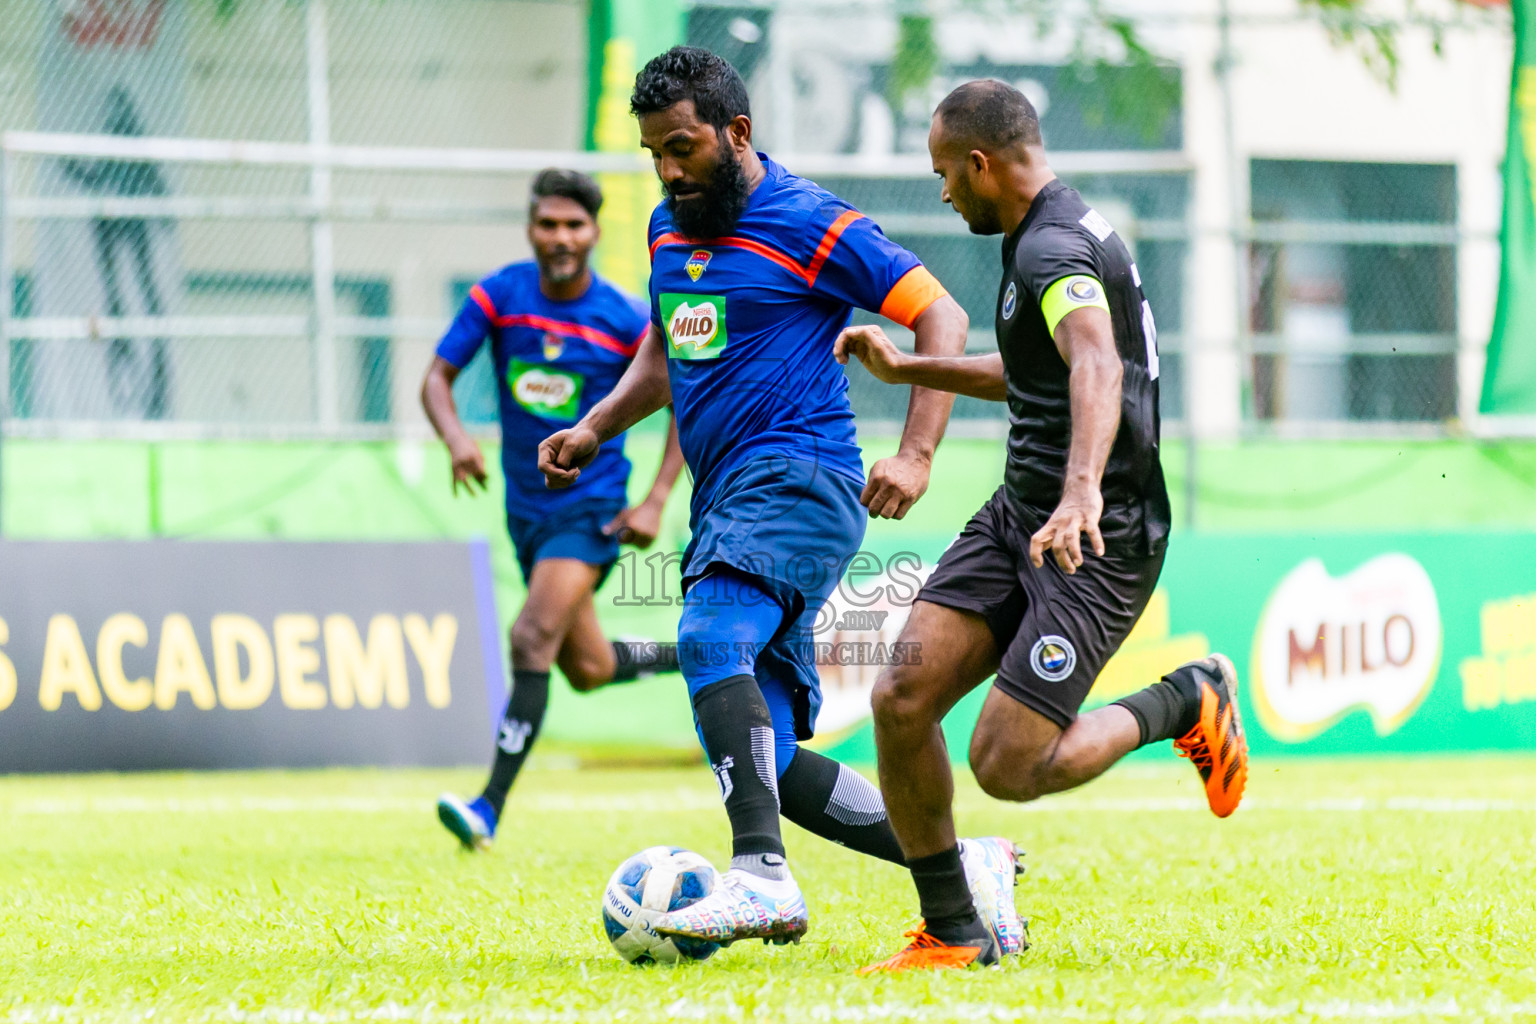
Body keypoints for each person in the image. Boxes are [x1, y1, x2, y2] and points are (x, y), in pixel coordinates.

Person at [538, 47, 1025, 952]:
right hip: (728, 496)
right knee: (773, 755)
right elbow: (665, 347)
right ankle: (965, 867)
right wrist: (597, 426)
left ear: (738, 132)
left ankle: (760, 878)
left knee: (705, 637)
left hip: (801, 474)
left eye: (682, 147)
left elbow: (942, 316)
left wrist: (916, 454)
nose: (670, 170)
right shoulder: (665, 228)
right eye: (654, 154)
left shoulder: (809, 221)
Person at [837, 80, 1250, 973]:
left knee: (1008, 765)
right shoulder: (1049, 235)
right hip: (1021, 514)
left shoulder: (1053, 248)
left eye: (947, 173)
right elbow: (1040, 369)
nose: (944, 191)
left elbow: (1095, 362)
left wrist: (1081, 491)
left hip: (1096, 535)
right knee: (901, 701)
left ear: (982, 164)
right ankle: (952, 931)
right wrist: (913, 366)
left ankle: (1187, 698)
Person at [423, 168, 686, 852]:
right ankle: (698, 651)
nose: (561, 237)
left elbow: (684, 399)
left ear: (596, 231)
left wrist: (656, 498)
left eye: (574, 225)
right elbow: (436, 377)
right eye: (549, 224)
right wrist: (456, 441)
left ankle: (487, 807)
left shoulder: (627, 316)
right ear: (530, 228)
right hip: (526, 517)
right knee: (587, 666)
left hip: (589, 512)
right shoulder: (501, 295)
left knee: (530, 637)